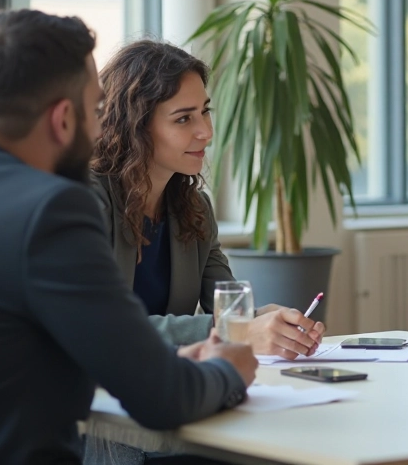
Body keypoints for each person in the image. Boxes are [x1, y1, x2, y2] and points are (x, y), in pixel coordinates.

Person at [0, 9, 258, 465]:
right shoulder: (50, 210)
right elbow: (163, 398)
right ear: (64, 119)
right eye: (98, 110)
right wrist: (228, 369)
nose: (104, 127)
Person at [91, 40, 324, 359]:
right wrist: (238, 330)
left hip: (168, 377)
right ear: (135, 126)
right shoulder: (86, 202)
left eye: (204, 112)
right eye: (183, 119)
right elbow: (103, 325)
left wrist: (267, 321)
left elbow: (226, 309)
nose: (206, 132)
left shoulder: (195, 208)